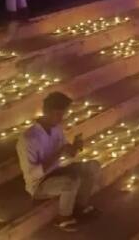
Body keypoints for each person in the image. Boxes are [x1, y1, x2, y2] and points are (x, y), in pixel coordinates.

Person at [16, 91, 100, 232]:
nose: (61, 119)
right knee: (71, 181)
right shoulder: (28, 139)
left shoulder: (56, 129)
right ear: (46, 112)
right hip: (40, 184)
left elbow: (68, 154)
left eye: (63, 114)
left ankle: (80, 206)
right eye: (58, 114)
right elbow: (32, 174)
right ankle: (63, 218)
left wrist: (75, 147)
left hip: (57, 171)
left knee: (93, 166)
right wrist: (60, 153)